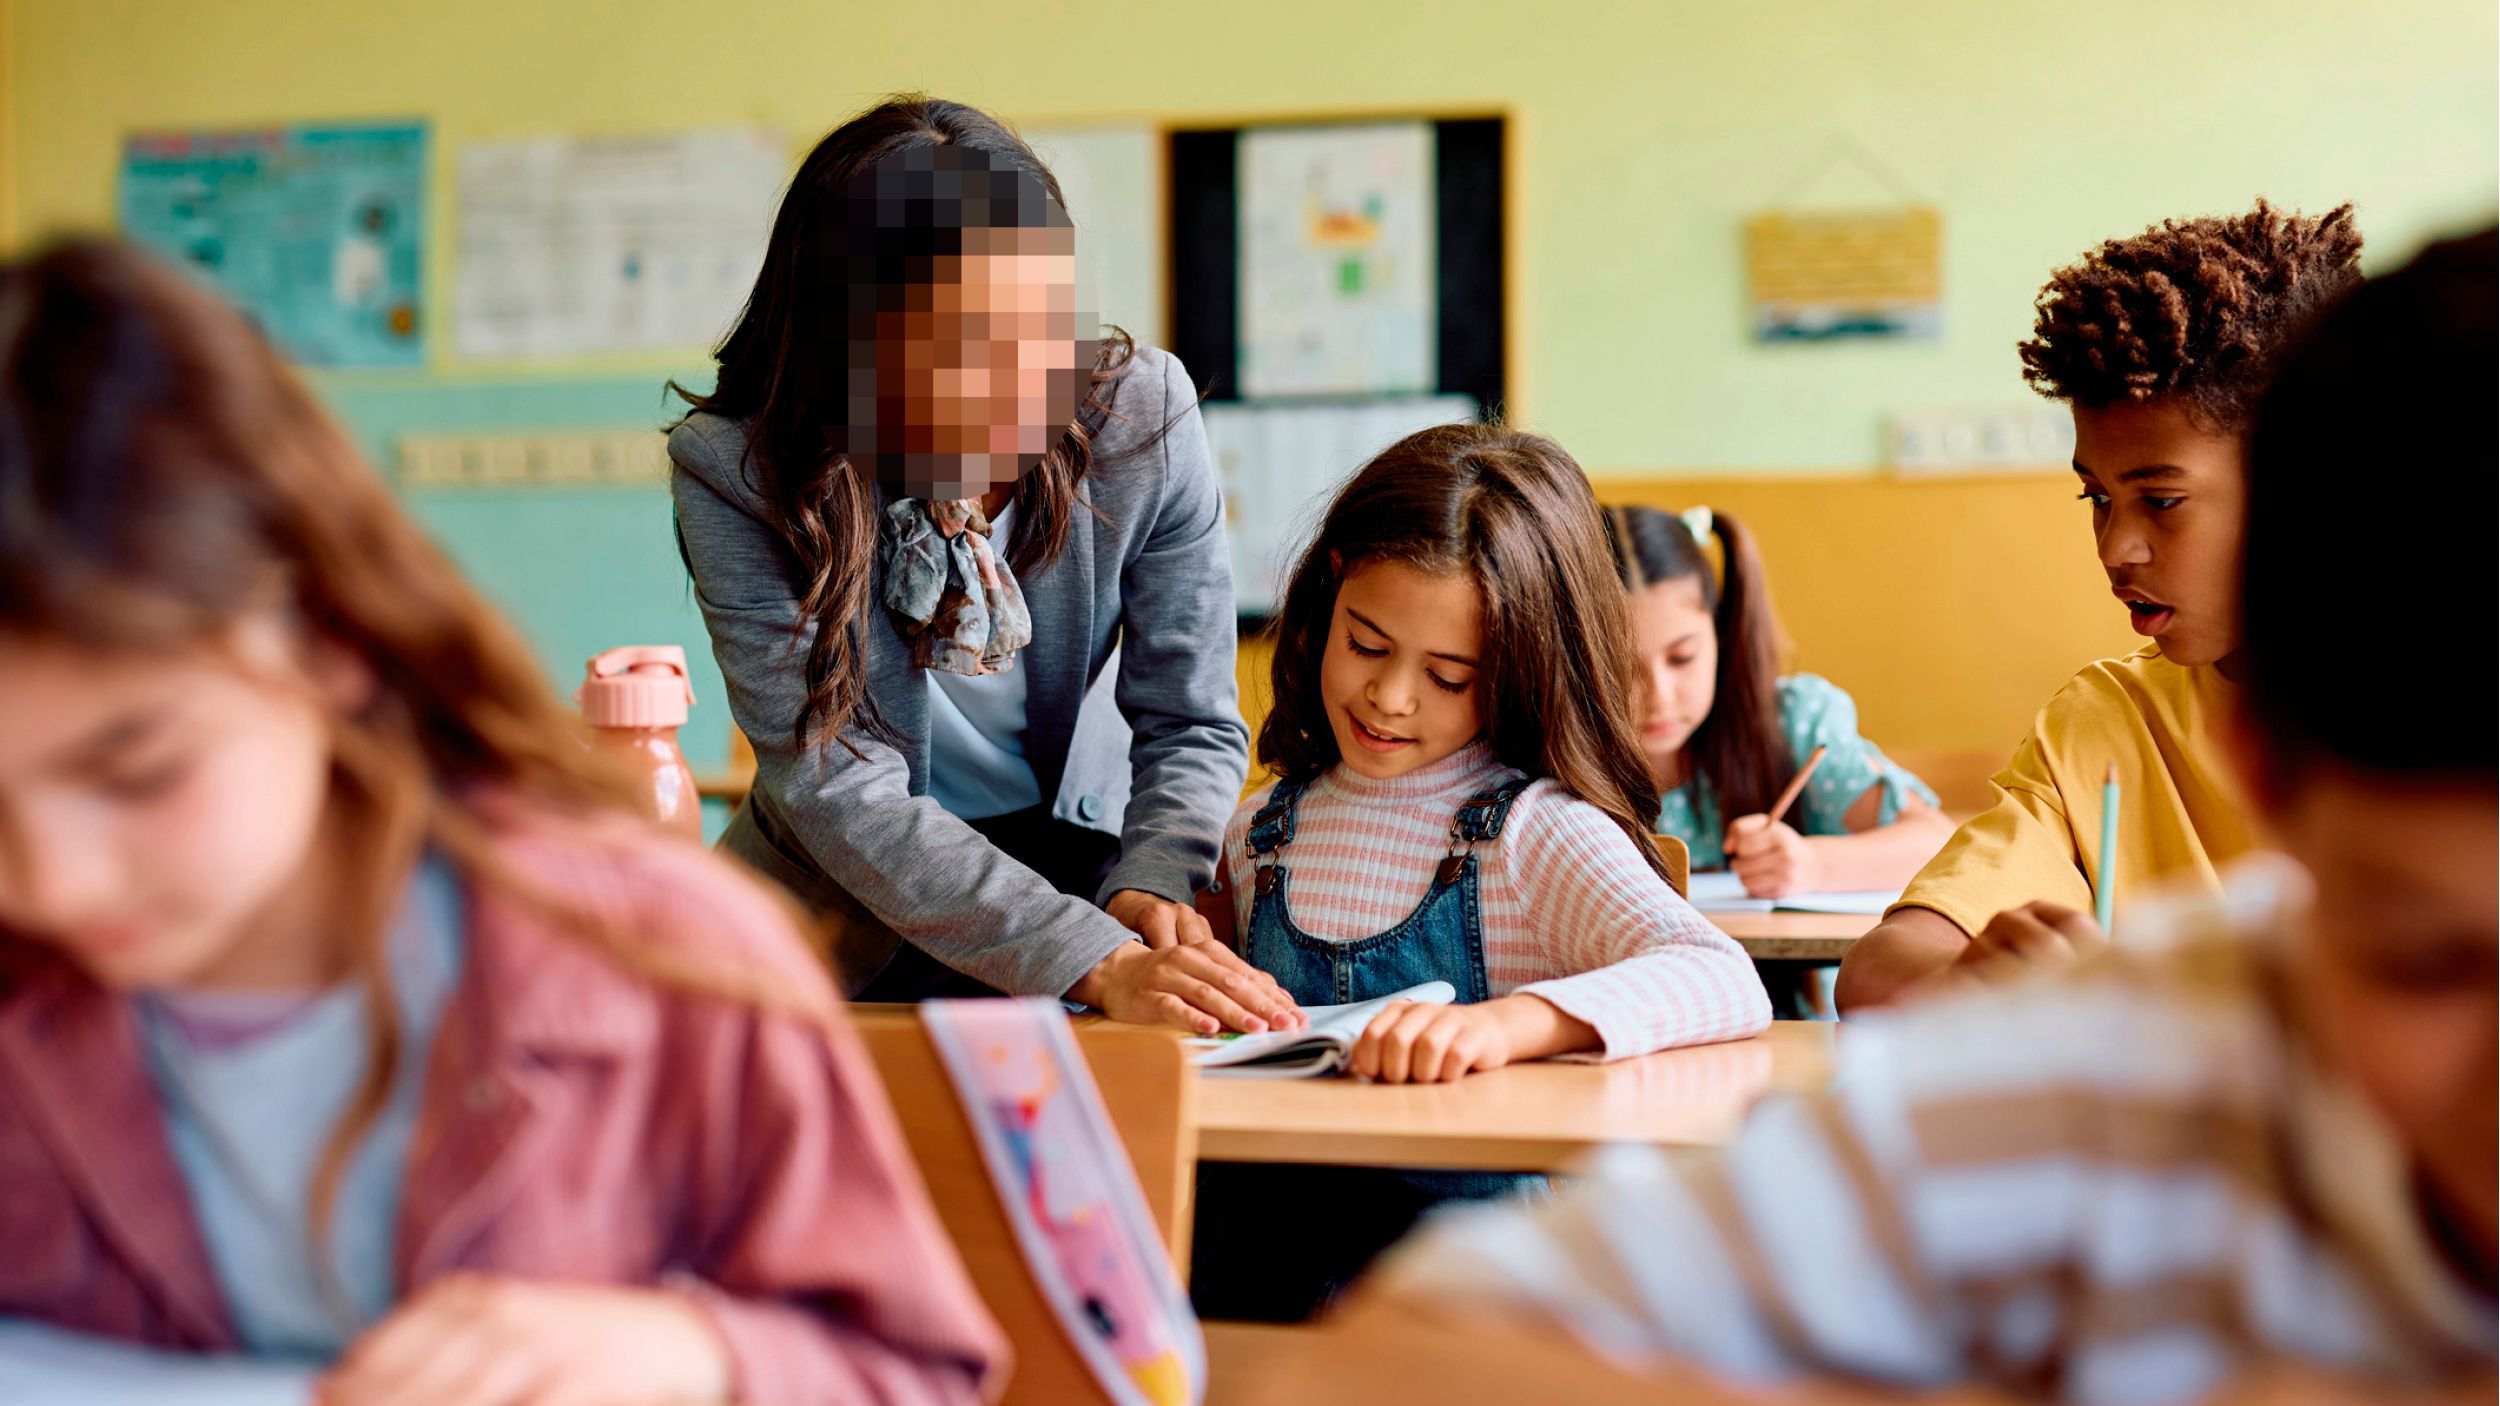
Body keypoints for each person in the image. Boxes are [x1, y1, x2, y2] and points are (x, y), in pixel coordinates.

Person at [1369, 228, 2499, 1406]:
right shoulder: (2145, 1068)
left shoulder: (1800, 726)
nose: (2116, 548)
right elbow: (1411, 1346)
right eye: (2426, 961)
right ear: (2264, 770)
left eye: (2160, 499)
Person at [0, 240, 1005, 1406]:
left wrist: (694, 1355)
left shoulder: (668, 955)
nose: (54, 882)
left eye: (139, 768)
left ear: (328, 633)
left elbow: (918, 1373)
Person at [669, 95, 1296, 1033]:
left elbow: (1189, 720)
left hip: (1091, 880)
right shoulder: (742, 471)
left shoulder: (1140, 419)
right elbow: (836, 786)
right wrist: (1090, 958)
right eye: (956, 350)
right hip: (843, 917)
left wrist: (1155, 881)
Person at [1837, 200, 2364, 1010]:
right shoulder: (2106, 721)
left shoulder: (2439, 714)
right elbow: (1878, 972)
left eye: (2161, 501)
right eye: (2096, 498)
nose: (2116, 548)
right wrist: (1968, 976)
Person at [1605, 504, 1949, 897]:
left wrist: (1815, 865)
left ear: (1720, 634)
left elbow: (1935, 844)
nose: (1659, 696)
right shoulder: (1547, 751)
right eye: (1619, 665)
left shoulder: (1792, 723)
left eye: (1683, 658)